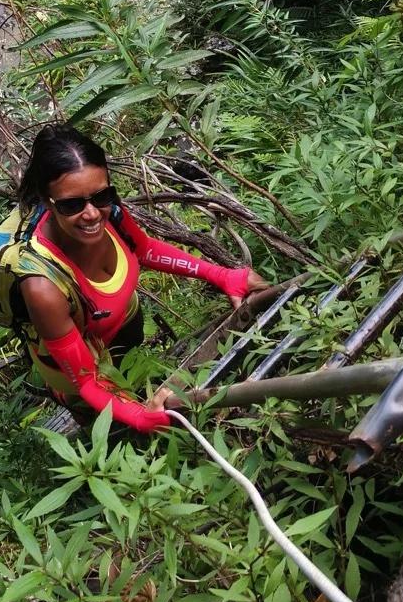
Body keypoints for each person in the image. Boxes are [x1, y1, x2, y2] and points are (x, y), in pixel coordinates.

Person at [17, 123, 268, 433]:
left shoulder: (108, 210)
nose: (93, 214)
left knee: (134, 376)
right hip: (77, 367)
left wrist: (223, 275)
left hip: (121, 322)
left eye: (101, 195)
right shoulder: (42, 286)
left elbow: (144, 250)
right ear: (46, 201)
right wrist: (137, 416)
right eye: (71, 204)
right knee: (108, 424)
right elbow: (85, 379)